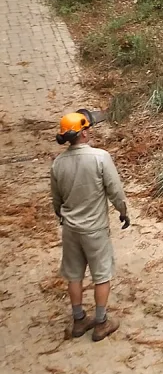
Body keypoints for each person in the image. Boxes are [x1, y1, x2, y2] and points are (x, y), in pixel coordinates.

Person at [50, 109, 129, 341]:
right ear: (83, 133)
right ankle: (101, 323)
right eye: (88, 128)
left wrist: (62, 216)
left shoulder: (58, 163)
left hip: (70, 229)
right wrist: (123, 212)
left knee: (74, 275)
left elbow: (56, 199)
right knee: (101, 274)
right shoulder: (100, 157)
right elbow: (115, 191)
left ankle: (78, 320)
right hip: (95, 229)